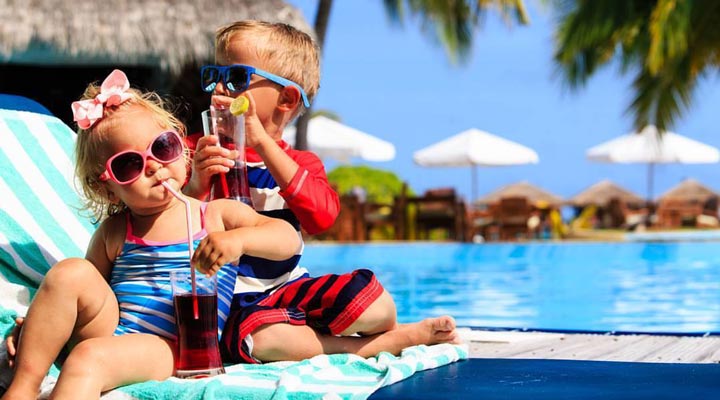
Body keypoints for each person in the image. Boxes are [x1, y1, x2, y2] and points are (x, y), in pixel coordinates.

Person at [1, 69, 301, 400]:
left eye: (162, 147)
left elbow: (288, 240)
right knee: (71, 272)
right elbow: (83, 296)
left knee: (88, 358)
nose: (153, 166)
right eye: (129, 165)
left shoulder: (214, 214)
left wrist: (238, 241)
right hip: (112, 332)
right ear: (109, 189)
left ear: (180, 147)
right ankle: (22, 388)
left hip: (175, 346)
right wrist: (37, 329)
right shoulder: (116, 230)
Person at [184, 20, 460, 364]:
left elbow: (322, 218)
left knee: (377, 305)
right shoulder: (196, 151)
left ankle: (377, 329)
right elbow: (167, 222)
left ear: (286, 98)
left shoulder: (299, 163)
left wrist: (262, 144)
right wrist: (196, 183)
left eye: (237, 77)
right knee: (263, 338)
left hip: (287, 288)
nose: (220, 89)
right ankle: (368, 346)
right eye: (215, 74)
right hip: (228, 303)